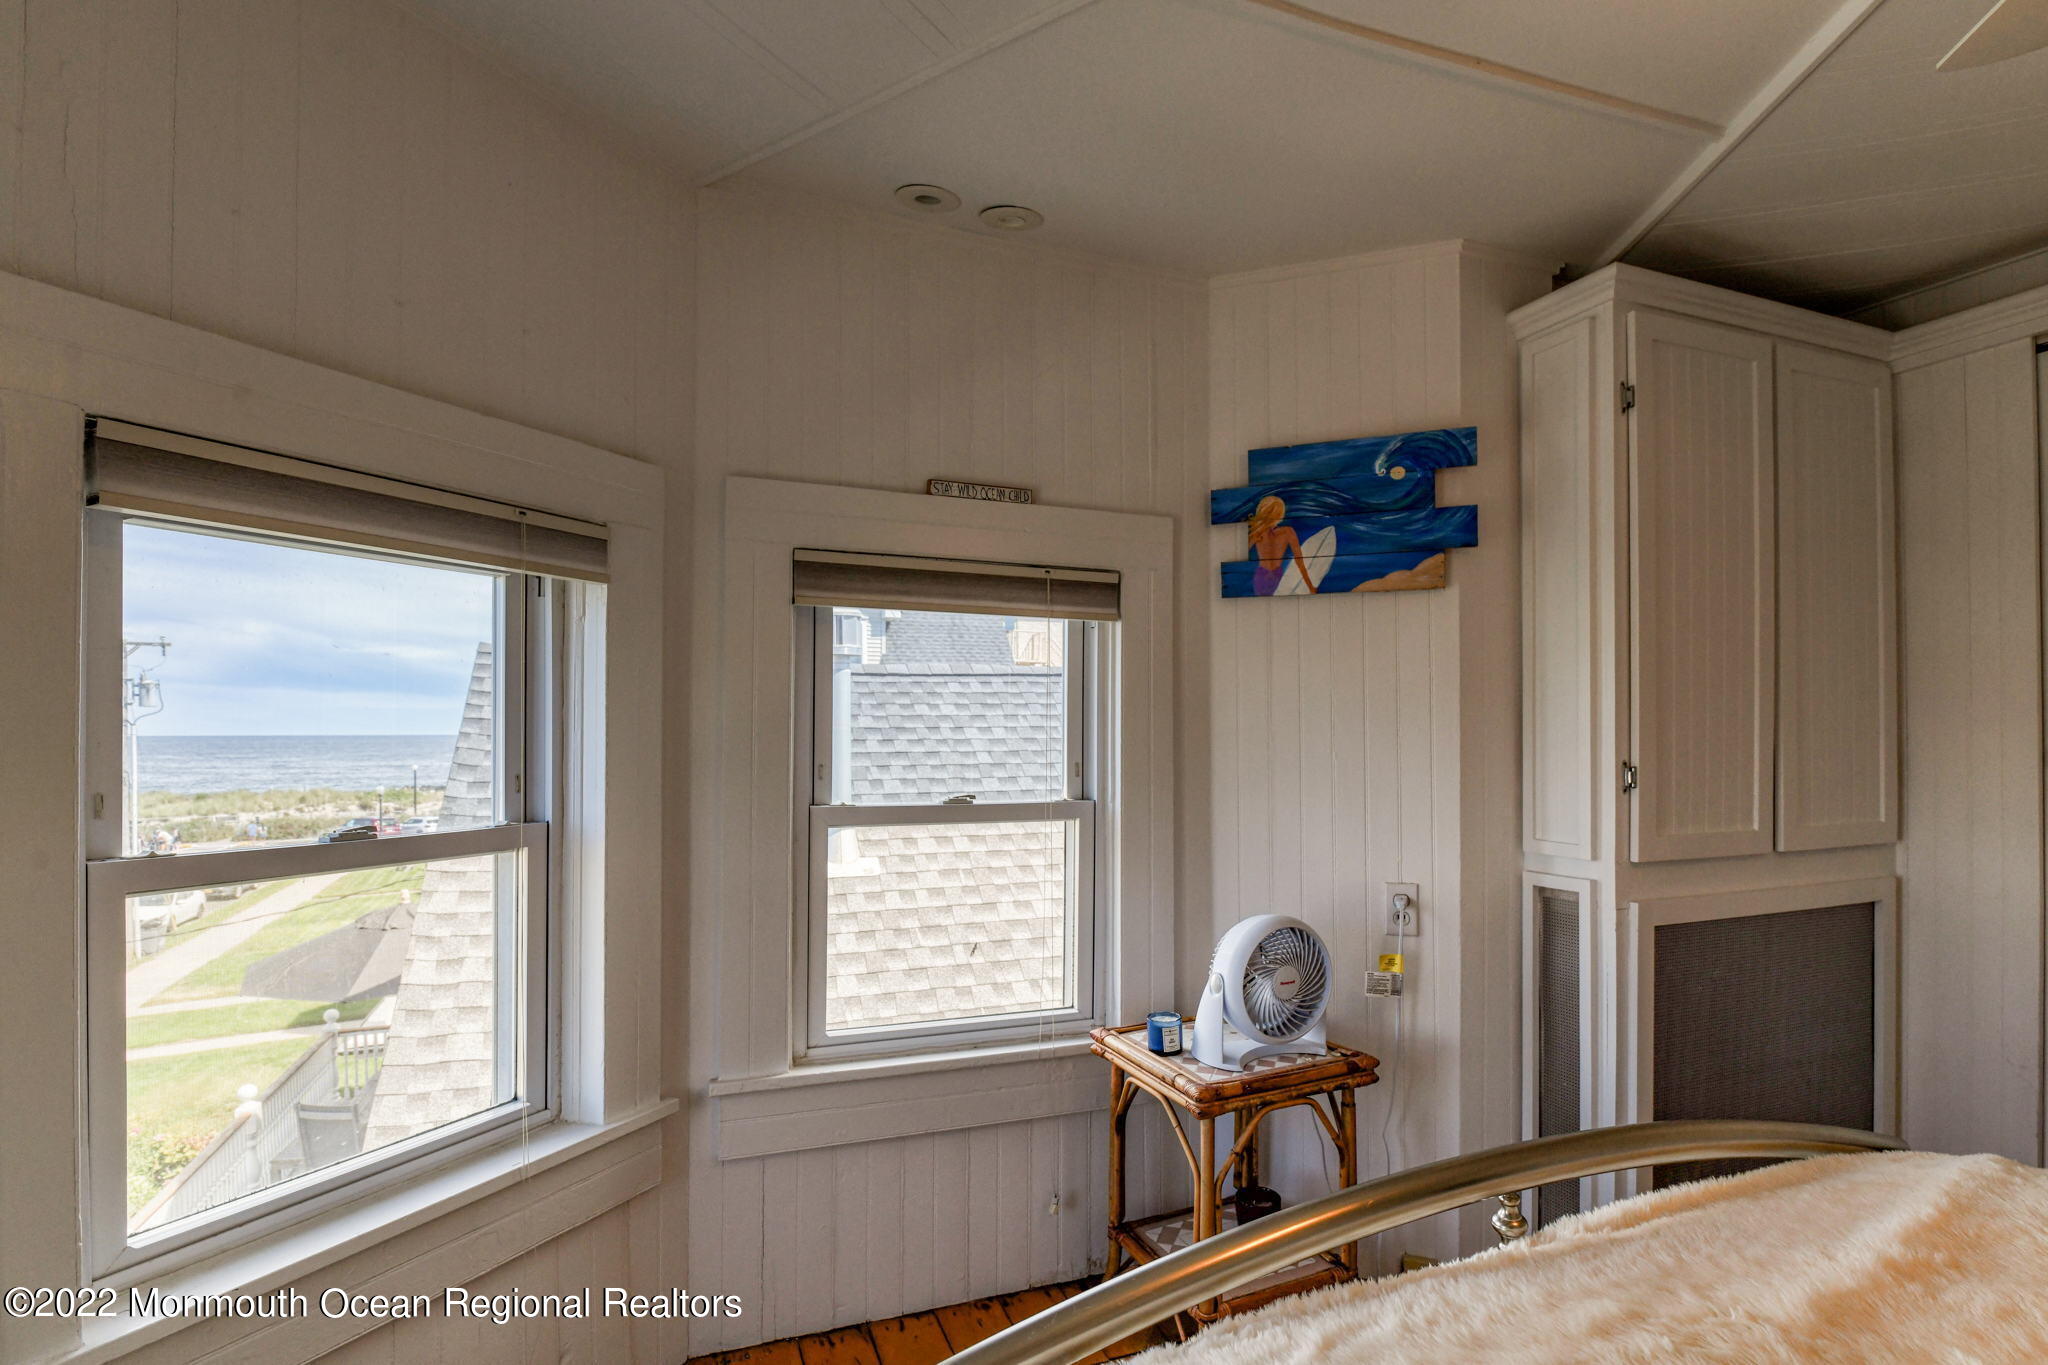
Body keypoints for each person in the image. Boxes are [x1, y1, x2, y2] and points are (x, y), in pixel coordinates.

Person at [1247, 494, 1317, 596]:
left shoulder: (1257, 533)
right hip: (1277, 576)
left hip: (1261, 576)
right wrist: (1310, 587)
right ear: (1280, 514)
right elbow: (1300, 563)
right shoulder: (1288, 532)